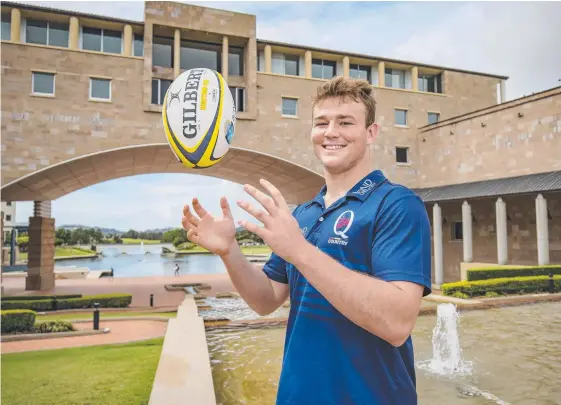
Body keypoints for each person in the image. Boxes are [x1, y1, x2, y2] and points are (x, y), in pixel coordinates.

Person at [181, 76, 432, 405]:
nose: (331, 132)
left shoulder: (396, 204)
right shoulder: (304, 215)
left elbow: (397, 322)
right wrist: (230, 251)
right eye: (321, 123)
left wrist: (300, 251)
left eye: (345, 122)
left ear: (371, 133)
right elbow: (266, 299)